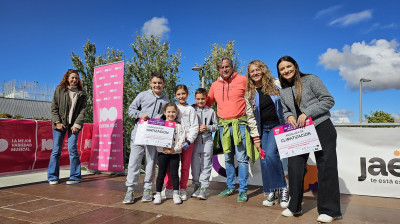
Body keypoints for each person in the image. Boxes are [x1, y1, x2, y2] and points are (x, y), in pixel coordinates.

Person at [277, 56, 342, 223]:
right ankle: (294, 206)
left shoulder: (312, 79)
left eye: (288, 66)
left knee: (326, 166)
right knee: (294, 166)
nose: (286, 70)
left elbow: (328, 100)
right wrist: (290, 115)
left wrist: (307, 113)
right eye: (282, 69)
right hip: (299, 133)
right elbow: (285, 111)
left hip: (321, 126)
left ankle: (330, 210)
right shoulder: (283, 90)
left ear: (295, 66)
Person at [207, 56, 255, 202]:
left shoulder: (243, 80)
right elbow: (207, 104)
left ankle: (243, 190)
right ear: (218, 69)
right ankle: (230, 186)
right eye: (221, 67)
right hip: (223, 126)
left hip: (240, 124)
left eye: (227, 66)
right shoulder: (214, 85)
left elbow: (254, 98)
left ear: (232, 66)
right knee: (228, 158)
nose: (225, 69)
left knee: (241, 159)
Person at [244, 60, 289, 208]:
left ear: (262, 70)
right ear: (249, 75)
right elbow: (250, 117)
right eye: (252, 71)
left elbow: (288, 100)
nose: (255, 73)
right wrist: (256, 138)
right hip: (263, 129)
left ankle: (283, 189)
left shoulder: (276, 84)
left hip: (278, 126)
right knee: (264, 159)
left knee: (271, 154)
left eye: (257, 70)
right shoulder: (249, 93)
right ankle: (273, 192)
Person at [123, 72, 170, 204]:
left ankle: (147, 190)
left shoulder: (166, 100)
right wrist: (140, 114)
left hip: (154, 135)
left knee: (151, 162)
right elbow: (130, 110)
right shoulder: (142, 95)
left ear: (163, 84)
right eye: (154, 82)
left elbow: (167, 117)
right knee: (134, 162)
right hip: (139, 133)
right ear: (150, 83)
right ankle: (130, 190)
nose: (157, 85)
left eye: (160, 83)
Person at [48, 69, 87, 185]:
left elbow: (83, 111)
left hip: (74, 125)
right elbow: (54, 108)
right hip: (59, 124)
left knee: (72, 149)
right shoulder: (59, 90)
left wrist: (77, 124)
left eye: (76, 78)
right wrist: (57, 122)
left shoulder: (82, 93)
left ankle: (75, 176)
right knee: (56, 151)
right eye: (72, 77)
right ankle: (52, 177)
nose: (74, 80)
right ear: (67, 78)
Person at [163, 85, 199, 201]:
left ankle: (182, 188)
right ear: (175, 95)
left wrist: (189, 140)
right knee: (170, 166)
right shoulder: (173, 108)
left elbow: (194, 127)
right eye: (178, 94)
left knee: (185, 166)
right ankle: (169, 188)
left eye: (183, 93)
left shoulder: (191, 109)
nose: (181, 96)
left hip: (187, 142)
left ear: (187, 94)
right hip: (174, 142)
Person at [154, 103, 186, 205]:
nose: (171, 114)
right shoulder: (160, 124)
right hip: (162, 153)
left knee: (174, 174)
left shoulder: (179, 126)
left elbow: (182, 139)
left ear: (176, 113)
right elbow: (155, 139)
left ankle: (176, 194)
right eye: (169, 112)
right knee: (161, 174)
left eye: (173, 112)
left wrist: (174, 149)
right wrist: (162, 147)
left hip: (174, 154)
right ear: (164, 112)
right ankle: (158, 194)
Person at [191, 88, 218, 200]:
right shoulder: (192, 110)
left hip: (207, 141)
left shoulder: (211, 111)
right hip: (195, 141)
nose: (201, 101)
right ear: (195, 99)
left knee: (206, 164)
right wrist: (195, 129)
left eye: (203, 99)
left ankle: (204, 188)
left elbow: (216, 126)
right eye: (198, 99)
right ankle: (197, 185)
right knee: (195, 165)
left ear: (206, 98)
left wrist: (208, 127)